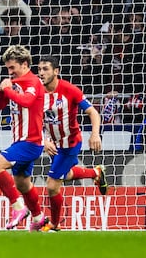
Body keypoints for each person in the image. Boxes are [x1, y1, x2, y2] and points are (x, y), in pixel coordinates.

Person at [37, 55, 107, 232]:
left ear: (56, 71)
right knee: (65, 174)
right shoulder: (38, 92)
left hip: (70, 143)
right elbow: (33, 119)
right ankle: (95, 172)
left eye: (45, 69)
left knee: (52, 186)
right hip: (54, 144)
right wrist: (43, 140)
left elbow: (93, 113)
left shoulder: (70, 90)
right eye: (39, 69)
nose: (41, 73)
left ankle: (54, 224)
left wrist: (95, 135)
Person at [0, 44, 46, 232]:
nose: (10, 72)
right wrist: (1, 90)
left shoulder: (33, 82)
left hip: (31, 141)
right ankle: (38, 218)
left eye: (13, 68)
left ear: (25, 64)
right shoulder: (14, 83)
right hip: (20, 141)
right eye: (8, 69)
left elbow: (27, 102)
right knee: (22, 183)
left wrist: (9, 89)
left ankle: (18, 207)